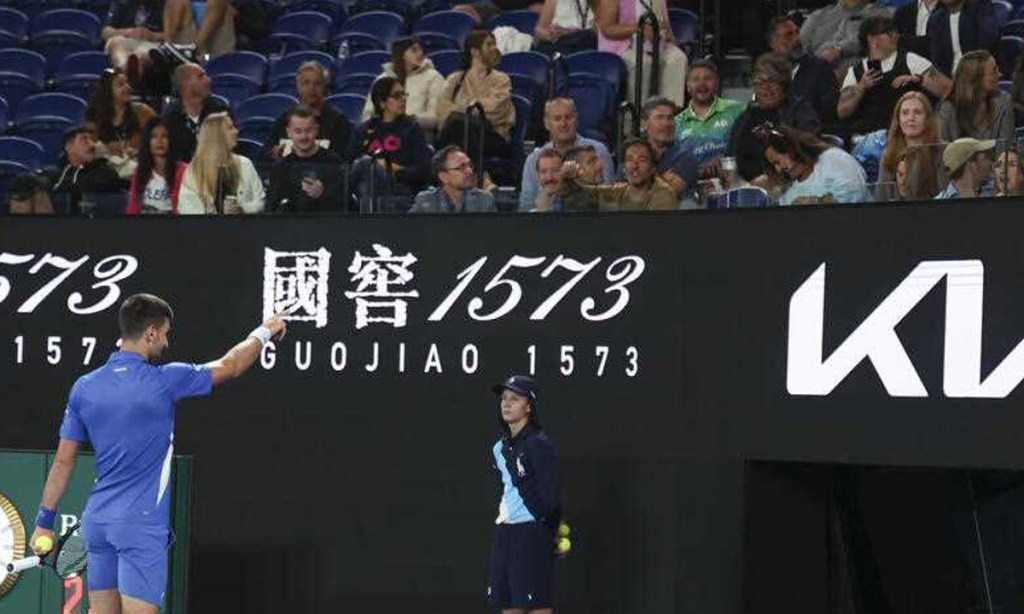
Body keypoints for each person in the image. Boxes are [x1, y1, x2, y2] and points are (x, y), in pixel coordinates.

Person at [28, 293, 289, 614]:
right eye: (164, 333)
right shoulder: (164, 380)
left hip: (97, 522)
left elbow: (63, 462)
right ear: (150, 332)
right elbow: (231, 365)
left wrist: (44, 522)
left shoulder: (84, 386)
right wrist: (264, 331)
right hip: (139, 524)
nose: (166, 342)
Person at [487, 374, 561, 614]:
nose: (506, 403)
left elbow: (550, 497)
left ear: (529, 406)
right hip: (504, 535)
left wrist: (554, 532)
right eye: (504, 398)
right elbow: (507, 490)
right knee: (507, 606)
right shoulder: (499, 448)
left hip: (531, 534)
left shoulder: (539, 444)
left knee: (537, 608)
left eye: (515, 398)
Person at [837, 16, 951, 138]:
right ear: (872, 39)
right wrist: (861, 87)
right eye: (888, 33)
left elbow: (948, 89)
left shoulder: (911, 60)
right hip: (866, 137)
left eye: (895, 32)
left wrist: (919, 79)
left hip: (904, 133)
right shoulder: (855, 71)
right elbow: (841, 112)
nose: (896, 36)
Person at [728, 53, 820, 185]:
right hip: (749, 188)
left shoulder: (801, 111)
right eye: (759, 82)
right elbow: (733, 157)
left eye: (772, 81)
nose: (766, 88)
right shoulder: (747, 117)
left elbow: (807, 151)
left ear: (785, 84)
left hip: (793, 184)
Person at [518, 97, 614, 211]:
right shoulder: (534, 159)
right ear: (546, 123)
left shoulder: (598, 151)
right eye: (557, 118)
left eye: (568, 117)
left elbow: (609, 200)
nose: (563, 124)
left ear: (577, 119)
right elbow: (525, 208)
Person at [352, 77, 434, 210]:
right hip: (370, 190)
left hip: (401, 190)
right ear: (382, 103)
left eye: (403, 94)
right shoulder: (365, 130)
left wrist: (393, 170)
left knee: (366, 164)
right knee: (364, 175)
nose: (403, 99)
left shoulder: (412, 128)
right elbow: (349, 165)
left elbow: (424, 170)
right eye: (396, 96)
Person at [436, 30, 516, 163]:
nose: (494, 48)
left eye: (495, 44)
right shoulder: (455, 79)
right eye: (489, 44)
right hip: (460, 134)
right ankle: (475, 175)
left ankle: (444, 171)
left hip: (492, 136)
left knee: (457, 121)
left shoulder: (501, 79)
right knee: (459, 124)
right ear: (475, 51)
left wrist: (460, 109)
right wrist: (470, 111)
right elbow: (442, 111)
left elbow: (495, 110)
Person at [594, 0, 688, 107]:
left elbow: (663, 22)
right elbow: (607, 29)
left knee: (678, 59)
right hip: (622, 46)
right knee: (642, 63)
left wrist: (669, 37)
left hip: (657, 43)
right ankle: (636, 117)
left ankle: (668, 115)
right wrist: (637, 29)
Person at [758, 123, 869, 205]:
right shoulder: (787, 191)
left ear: (792, 149)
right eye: (774, 166)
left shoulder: (834, 159)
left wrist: (818, 201)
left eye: (778, 162)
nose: (778, 169)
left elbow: (856, 196)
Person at [265, 61, 354, 163]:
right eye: (306, 82)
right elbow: (266, 153)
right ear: (298, 86)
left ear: (324, 87)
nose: (311, 88)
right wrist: (273, 155)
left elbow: (343, 161)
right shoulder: (285, 118)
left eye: (317, 83)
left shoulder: (338, 120)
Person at [555, 137, 677, 210]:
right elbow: (578, 193)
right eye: (629, 160)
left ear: (652, 168)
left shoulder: (664, 194)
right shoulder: (616, 192)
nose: (635, 166)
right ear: (623, 168)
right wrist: (564, 176)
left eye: (642, 160)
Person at [178, 113, 264, 214]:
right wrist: (209, 213)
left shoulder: (245, 164)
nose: (236, 131)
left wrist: (243, 208)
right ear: (216, 135)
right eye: (230, 128)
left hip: (243, 226)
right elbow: (185, 207)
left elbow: (261, 202)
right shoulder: (195, 170)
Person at [675, 59, 745, 180]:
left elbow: (749, 145)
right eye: (696, 79)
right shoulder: (676, 123)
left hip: (734, 179)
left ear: (717, 83)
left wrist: (726, 158)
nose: (702, 83)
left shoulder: (737, 110)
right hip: (693, 185)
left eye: (707, 78)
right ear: (688, 86)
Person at [766, 15, 839, 130]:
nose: (797, 39)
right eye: (789, 35)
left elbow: (829, 116)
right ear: (772, 43)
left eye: (797, 33)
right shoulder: (767, 73)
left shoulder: (820, 69)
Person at [267, 105, 345, 213]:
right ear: (289, 132)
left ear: (317, 130)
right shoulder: (281, 168)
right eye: (298, 131)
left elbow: (345, 206)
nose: (304, 136)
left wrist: (322, 194)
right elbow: (271, 209)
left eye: (308, 130)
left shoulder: (334, 162)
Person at [361, 38, 445, 133]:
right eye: (414, 50)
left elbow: (434, 117)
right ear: (402, 54)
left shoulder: (433, 77)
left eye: (421, 50)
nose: (420, 53)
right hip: (383, 132)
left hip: (416, 132)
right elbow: (367, 113)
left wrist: (405, 121)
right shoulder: (383, 78)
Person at [936, 50, 1014, 149]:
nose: (1000, 75)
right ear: (976, 79)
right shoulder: (947, 109)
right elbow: (942, 154)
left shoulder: (1004, 101)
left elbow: (1006, 147)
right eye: (994, 71)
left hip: (996, 163)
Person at [85, 68, 158, 170]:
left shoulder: (142, 112)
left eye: (127, 83)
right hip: (105, 171)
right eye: (120, 84)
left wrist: (138, 151)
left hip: (139, 168)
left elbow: (161, 139)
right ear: (108, 91)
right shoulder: (95, 117)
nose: (128, 87)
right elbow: (89, 149)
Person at [799, 0, 891, 76]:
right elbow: (800, 48)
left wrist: (839, 49)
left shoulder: (881, 14)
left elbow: (870, 39)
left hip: (855, 79)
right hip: (813, 77)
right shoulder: (817, 17)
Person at [48, 126, 126, 215]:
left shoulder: (105, 172)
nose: (92, 145)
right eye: (84, 140)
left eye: (92, 140)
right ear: (69, 147)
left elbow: (86, 186)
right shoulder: (59, 173)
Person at [162, 63, 230, 161]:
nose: (209, 79)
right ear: (186, 85)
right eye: (201, 76)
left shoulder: (220, 112)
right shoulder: (170, 119)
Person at [878, 91, 944, 186]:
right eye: (905, 113)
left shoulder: (942, 152)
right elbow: (882, 196)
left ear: (927, 119)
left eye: (917, 112)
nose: (911, 118)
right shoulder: (889, 154)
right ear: (898, 120)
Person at [126, 117, 188, 214]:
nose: (160, 141)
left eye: (165, 136)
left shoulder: (183, 171)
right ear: (147, 141)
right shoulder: (140, 171)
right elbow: (132, 207)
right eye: (154, 136)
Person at [639, 96, 697, 198]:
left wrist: (640, 180)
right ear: (644, 124)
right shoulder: (633, 152)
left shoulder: (685, 157)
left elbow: (666, 194)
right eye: (659, 118)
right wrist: (661, 180)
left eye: (670, 118)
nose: (666, 124)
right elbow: (621, 194)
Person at [411, 146, 496, 212]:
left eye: (470, 165)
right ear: (443, 177)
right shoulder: (426, 201)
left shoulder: (485, 200)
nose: (470, 171)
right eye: (462, 167)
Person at [927, 0, 998, 78]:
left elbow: (985, 49)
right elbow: (937, 60)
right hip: (948, 80)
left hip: (977, 76)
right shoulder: (936, 19)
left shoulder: (980, 8)